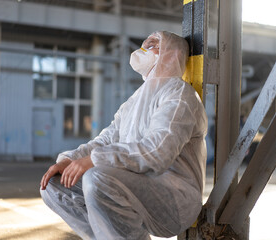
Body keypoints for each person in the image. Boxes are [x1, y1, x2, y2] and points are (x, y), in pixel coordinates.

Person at [40, 31, 208, 240]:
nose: (145, 48)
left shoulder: (180, 95)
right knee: (53, 186)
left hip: (175, 198)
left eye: (154, 44)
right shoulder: (134, 103)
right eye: (144, 44)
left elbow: (157, 152)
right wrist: (69, 160)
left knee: (98, 177)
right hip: (139, 186)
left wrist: (93, 160)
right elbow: (105, 140)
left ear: (170, 53)